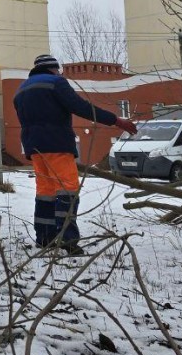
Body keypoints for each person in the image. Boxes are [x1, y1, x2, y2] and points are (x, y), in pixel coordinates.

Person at [13, 54, 137, 256]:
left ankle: (44, 238)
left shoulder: (22, 89)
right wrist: (115, 120)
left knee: (46, 191)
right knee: (67, 190)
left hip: (33, 147)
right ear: (53, 69)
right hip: (57, 144)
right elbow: (81, 107)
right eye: (58, 70)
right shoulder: (56, 83)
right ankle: (68, 240)